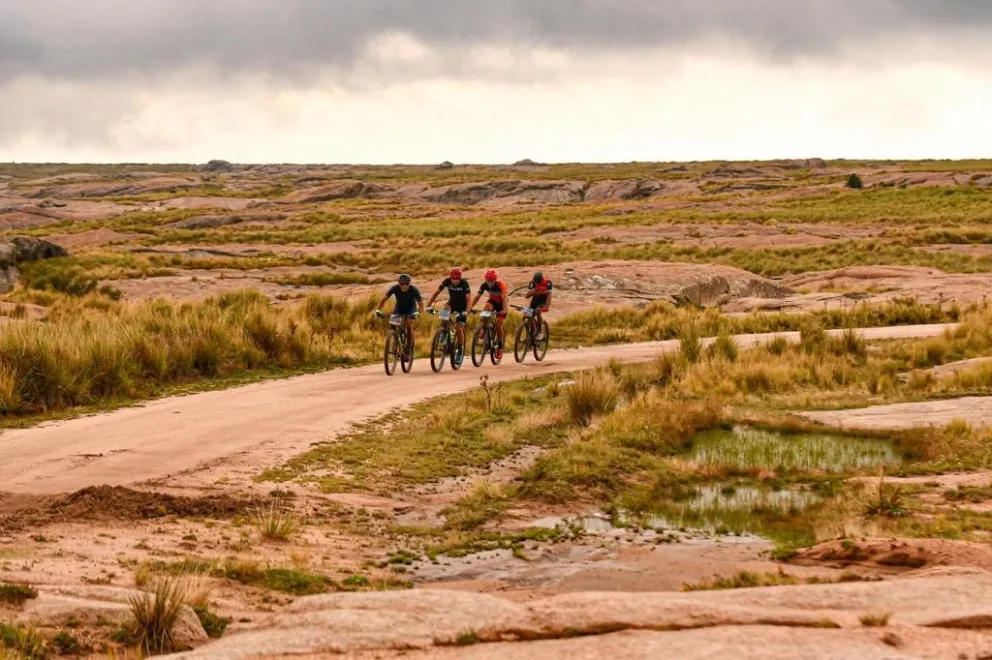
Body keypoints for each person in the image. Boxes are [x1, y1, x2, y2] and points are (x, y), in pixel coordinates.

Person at [426, 267, 471, 365]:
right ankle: (445, 330)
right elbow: (436, 293)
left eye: (457, 278)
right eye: (453, 278)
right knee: (444, 311)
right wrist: (428, 305)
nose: (455, 281)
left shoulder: (464, 284)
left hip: (463, 307)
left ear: (460, 278)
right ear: (450, 278)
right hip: (453, 303)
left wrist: (467, 311)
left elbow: (468, 299)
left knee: (459, 329)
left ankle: (460, 351)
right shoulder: (447, 281)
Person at [374, 273, 424, 358]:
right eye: (402, 284)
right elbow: (383, 299)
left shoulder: (414, 290)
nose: (404, 286)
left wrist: (417, 313)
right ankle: (395, 343)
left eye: (406, 284)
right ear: (399, 284)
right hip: (399, 308)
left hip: (410, 309)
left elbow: (421, 306)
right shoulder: (395, 288)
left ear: (409, 283)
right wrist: (378, 309)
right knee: (393, 324)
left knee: (409, 324)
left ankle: (409, 349)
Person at [469, 268, 509, 361]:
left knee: (499, 325)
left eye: (491, 281)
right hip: (492, 302)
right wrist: (470, 307)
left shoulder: (500, 285)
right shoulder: (484, 285)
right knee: (486, 308)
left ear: (495, 279)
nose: (489, 283)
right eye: (488, 281)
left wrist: (504, 311)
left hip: (502, 304)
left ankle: (500, 347)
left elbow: (504, 299)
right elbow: (477, 297)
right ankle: (484, 328)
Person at [525, 271, 553, 340]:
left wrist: (547, 306)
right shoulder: (532, 283)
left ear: (541, 279)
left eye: (538, 282)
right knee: (526, 312)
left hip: (542, 302)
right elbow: (527, 296)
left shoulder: (548, 282)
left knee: (537, 311)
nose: (536, 283)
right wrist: (535, 290)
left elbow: (549, 295)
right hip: (534, 302)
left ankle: (540, 332)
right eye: (535, 281)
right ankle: (533, 329)